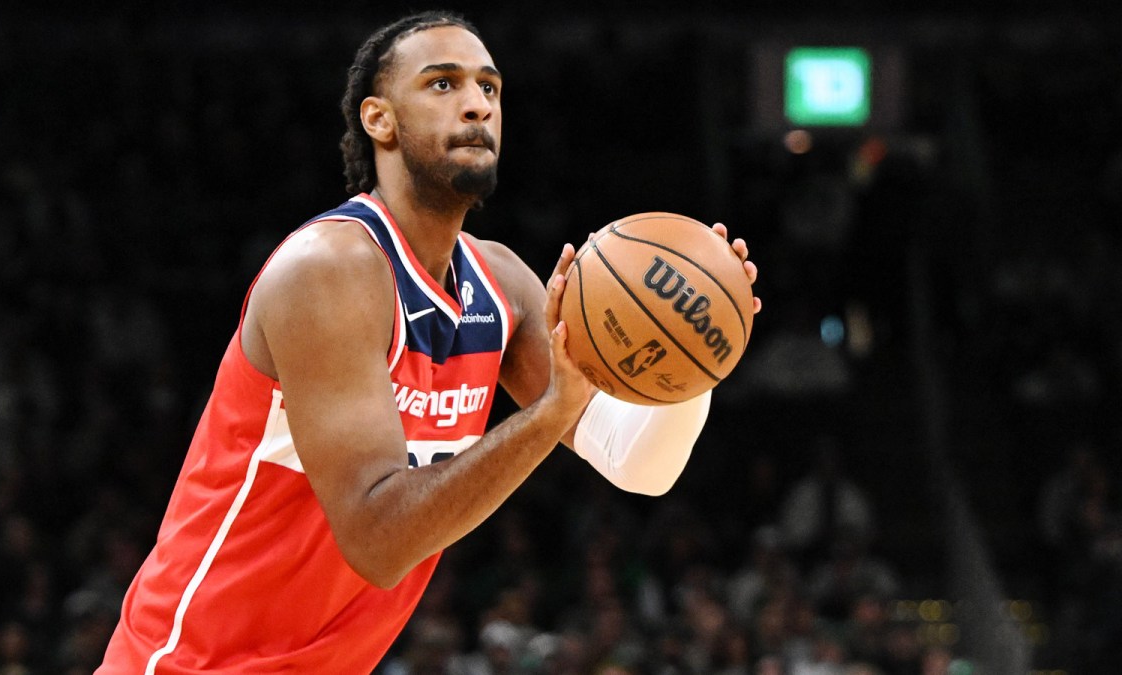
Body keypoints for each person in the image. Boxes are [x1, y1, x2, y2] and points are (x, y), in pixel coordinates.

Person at [97, 10, 761, 673]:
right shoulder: (329, 271)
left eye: (489, 88)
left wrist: (695, 355)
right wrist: (549, 411)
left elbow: (636, 463)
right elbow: (379, 542)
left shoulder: (499, 283)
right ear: (379, 119)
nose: (476, 104)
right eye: (443, 85)